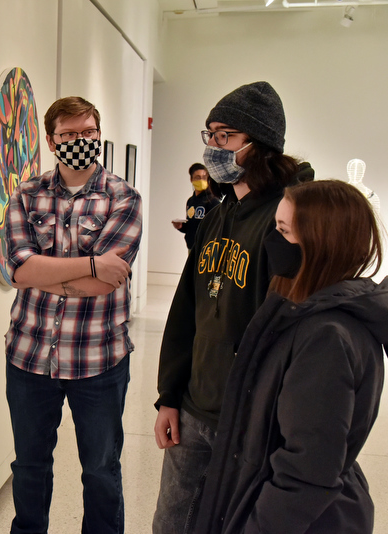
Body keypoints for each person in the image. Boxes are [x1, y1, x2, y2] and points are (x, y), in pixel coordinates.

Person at [152, 81, 313, 534]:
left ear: (259, 145)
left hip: (250, 419)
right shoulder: (219, 213)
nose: (212, 146)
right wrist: (169, 397)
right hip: (194, 407)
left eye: (225, 136)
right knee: (171, 524)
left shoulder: (286, 220)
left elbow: (291, 328)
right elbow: (188, 309)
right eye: (209, 134)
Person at [190, 179, 387, 534]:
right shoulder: (302, 314)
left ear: (320, 241)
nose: (271, 241)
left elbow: (307, 470)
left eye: (283, 230)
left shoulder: (326, 338)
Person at [3, 96, 142, 534]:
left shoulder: (124, 197)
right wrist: (91, 263)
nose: (80, 141)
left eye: (88, 132)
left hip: (98, 359)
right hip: (29, 355)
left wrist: (48, 273)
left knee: (101, 471)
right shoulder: (26, 196)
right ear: (51, 140)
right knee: (29, 467)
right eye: (69, 134)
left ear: (98, 135)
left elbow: (107, 282)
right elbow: (20, 270)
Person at [172, 163, 221, 249]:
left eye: (204, 177)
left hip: (206, 249)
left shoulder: (213, 201)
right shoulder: (190, 201)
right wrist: (181, 226)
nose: (201, 180)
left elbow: (217, 227)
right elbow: (191, 227)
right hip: (192, 247)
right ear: (191, 179)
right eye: (198, 177)